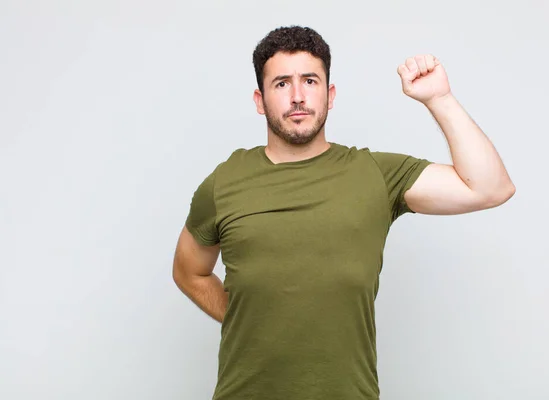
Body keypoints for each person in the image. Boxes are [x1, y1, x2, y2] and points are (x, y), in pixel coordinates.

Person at [172, 25, 515, 400]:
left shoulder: (375, 175)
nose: (298, 96)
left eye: (310, 81)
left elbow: (490, 187)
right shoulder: (224, 183)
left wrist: (440, 98)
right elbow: (189, 270)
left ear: (330, 94)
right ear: (260, 100)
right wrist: (244, 320)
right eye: (282, 84)